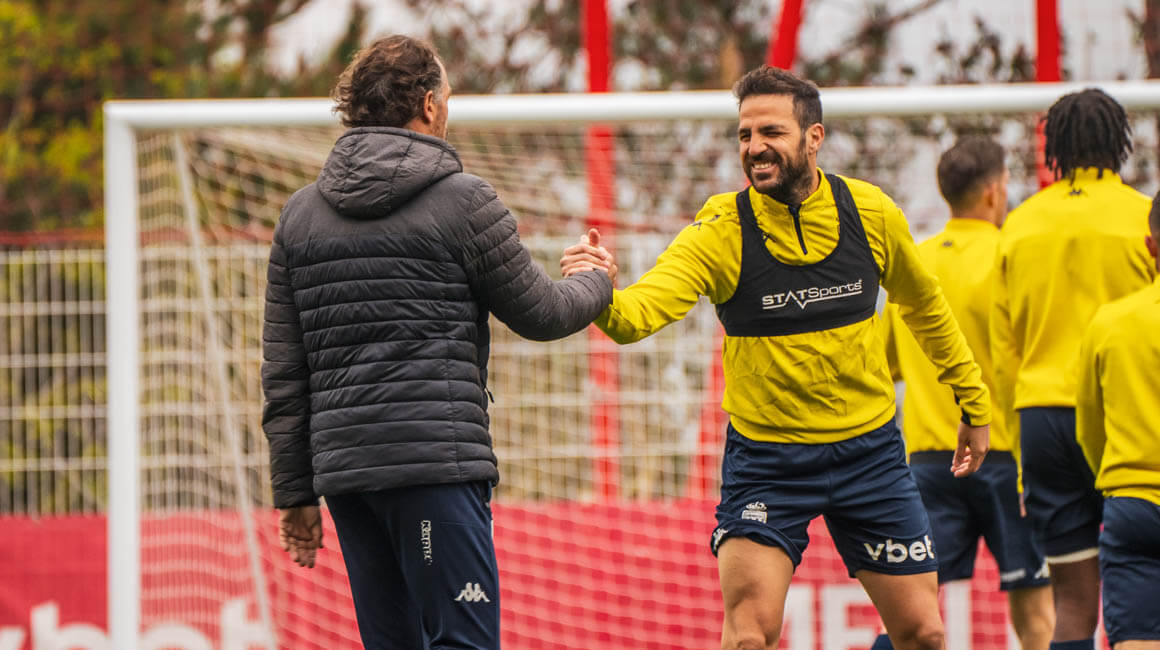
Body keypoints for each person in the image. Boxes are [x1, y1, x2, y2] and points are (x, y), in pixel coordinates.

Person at [561, 65, 991, 650]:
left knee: (925, 634)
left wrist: (973, 403)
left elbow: (926, 308)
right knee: (749, 637)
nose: (755, 147)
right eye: (745, 135)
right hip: (768, 462)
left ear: (814, 138)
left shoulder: (870, 212)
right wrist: (600, 288)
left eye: (771, 132)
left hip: (870, 455)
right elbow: (636, 317)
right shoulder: (720, 230)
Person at [260, 35, 613, 649]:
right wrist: (595, 279)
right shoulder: (463, 201)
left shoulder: (299, 215)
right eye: (447, 95)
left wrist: (294, 491)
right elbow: (542, 313)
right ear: (428, 104)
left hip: (348, 481)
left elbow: (285, 372)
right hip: (433, 471)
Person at [990, 87, 1157, 650]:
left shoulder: (1019, 225)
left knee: (1072, 605)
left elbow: (1004, 355)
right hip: (1126, 419)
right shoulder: (1141, 217)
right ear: (1120, 143)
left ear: (1054, 147)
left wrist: (1017, 454)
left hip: (1041, 421)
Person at [874, 137, 1053, 650]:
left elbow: (882, 366)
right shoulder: (1010, 255)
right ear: (995, 191)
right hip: (1006, 457)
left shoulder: (916, 262)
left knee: (911, 615)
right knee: (1037, 615)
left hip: (930, 461)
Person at [1075, 193, 1160, 649]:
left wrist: (1113, 480)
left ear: (1149, 245)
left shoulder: (1109, 323)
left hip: (1132, 504)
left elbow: (1088, 428)